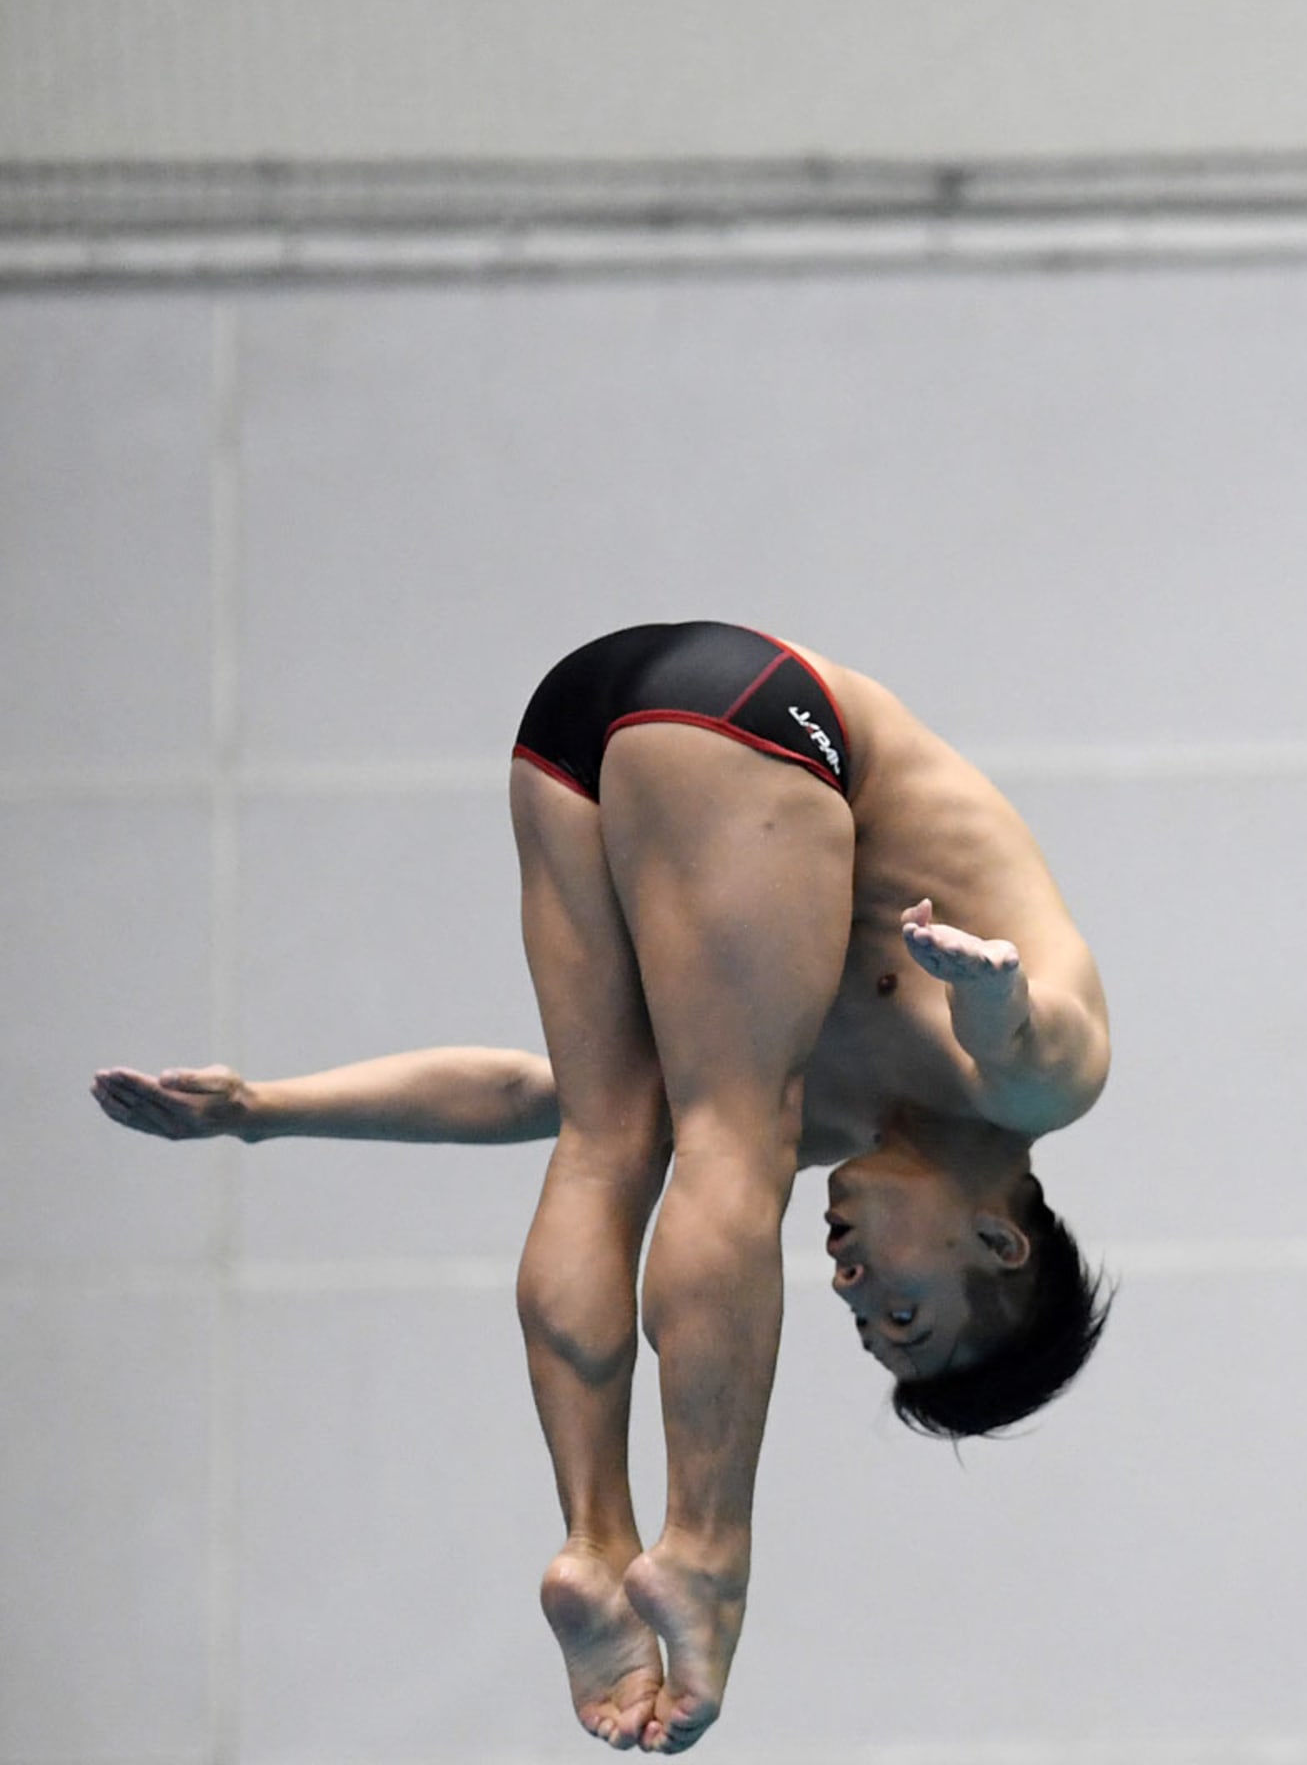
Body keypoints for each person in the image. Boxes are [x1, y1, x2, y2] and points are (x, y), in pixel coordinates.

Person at [93, 619, 1114, 1753]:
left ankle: (594, 1541)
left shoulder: (827, 1111)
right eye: (900, 1310)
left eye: (858, 1318)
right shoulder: (1041, 1101)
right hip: (761, 712)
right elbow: (1029, 1036)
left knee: (602, 1132)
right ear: (1000, 1245)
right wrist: (987, 990)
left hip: (571, 731)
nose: (847, 1282)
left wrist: (264, 1112)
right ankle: (705, 1554)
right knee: (732, 1144)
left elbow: (523, 1091)